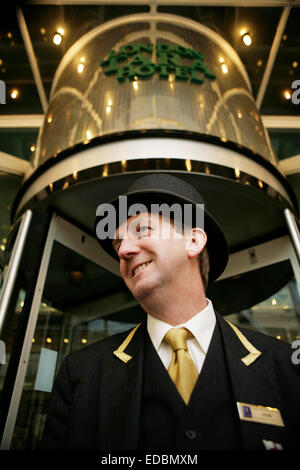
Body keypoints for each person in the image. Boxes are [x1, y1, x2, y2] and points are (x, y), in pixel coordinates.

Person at [39, 173, 300, 450]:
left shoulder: (284, 366)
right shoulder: (82, 373)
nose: (124, 250)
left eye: (142, 230)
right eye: (118, 244)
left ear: (194, 241)